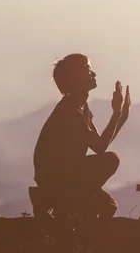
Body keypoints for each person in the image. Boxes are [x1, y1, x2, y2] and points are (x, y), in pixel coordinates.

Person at [32, 53, 131, 221]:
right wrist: (116, 115)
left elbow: (99, 143)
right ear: (75, 76)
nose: (93, 74)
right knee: (111, 160)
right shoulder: (70, 110)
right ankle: (59, 203)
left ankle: (61, 204)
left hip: (67, 175)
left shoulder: (81, 107)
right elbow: (100, 147)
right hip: (57, 178)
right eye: (88, 69)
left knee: (109, 206)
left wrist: (121, 117)